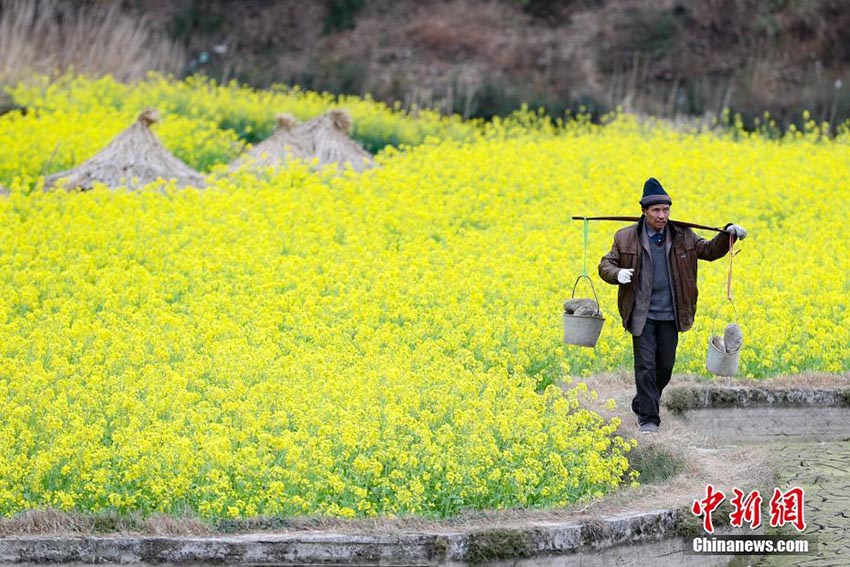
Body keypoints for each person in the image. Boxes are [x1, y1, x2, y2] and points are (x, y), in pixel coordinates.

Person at [598, 178, 747, 433]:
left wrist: (728, 234)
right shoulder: (625, 237)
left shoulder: (683, 235)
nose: (662, 215)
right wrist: (617, 273)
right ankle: (649, 419)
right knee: (645, 364)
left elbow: (709, 250)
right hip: (641, 313)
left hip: (672, 313)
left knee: (664, 367)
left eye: (666, 210)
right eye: (656, 210)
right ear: (644, 211)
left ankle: (642, 401)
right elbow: (605, 264)